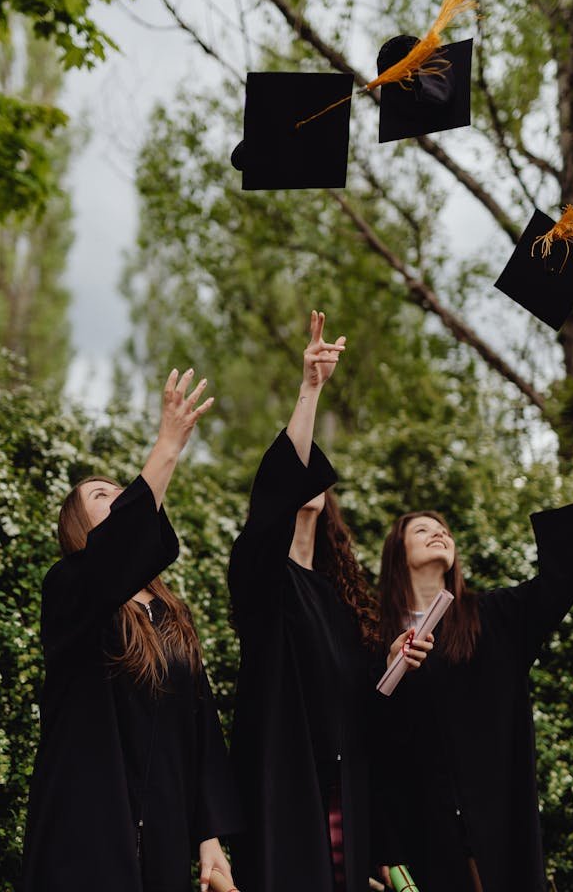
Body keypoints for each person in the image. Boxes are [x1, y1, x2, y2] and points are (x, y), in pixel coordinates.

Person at [228, 311, 432, 892]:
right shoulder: (260, 572)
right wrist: (309, 389)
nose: (307, 477)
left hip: (347, 799)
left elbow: (367, 712)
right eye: (299, 470)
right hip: (283, 794)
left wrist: (392, 660)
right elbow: (274, 500)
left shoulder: (343, 601)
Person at [21, 368, 242, 892]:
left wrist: (210, 840)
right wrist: (167, 445)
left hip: (162, 838)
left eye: (123, 493)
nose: (118, 499)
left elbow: (201, 728)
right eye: (102, 496)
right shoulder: (69, 591)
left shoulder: (171, 616)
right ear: (78, 527)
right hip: (86, 833)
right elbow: (108, 562)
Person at [374, 438, 573, 892]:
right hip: (424, 831)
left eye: (443, 530)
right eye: (422, 530)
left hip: (495, 818)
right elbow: (376, 744)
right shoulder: (377, 637)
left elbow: (558, 585)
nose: (438, 534)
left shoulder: (494, 617)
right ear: (398, 555)